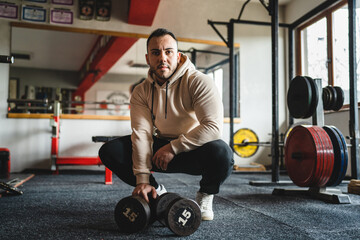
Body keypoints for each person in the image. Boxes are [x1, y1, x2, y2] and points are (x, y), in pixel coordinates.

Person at [99, 28, 234, 221]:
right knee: (110, 151)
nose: (162, 58)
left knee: (223, 153)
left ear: (178, 56)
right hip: (159, 150)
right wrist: (143, 179)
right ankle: (155, 190)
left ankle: (205, 194)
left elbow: (212, 127)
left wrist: (175, 147)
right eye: (156, 53)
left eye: (168, 51)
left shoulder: (199, 82)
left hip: (193, 149)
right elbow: (142, 134)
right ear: (148, 58)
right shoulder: (141, 92)